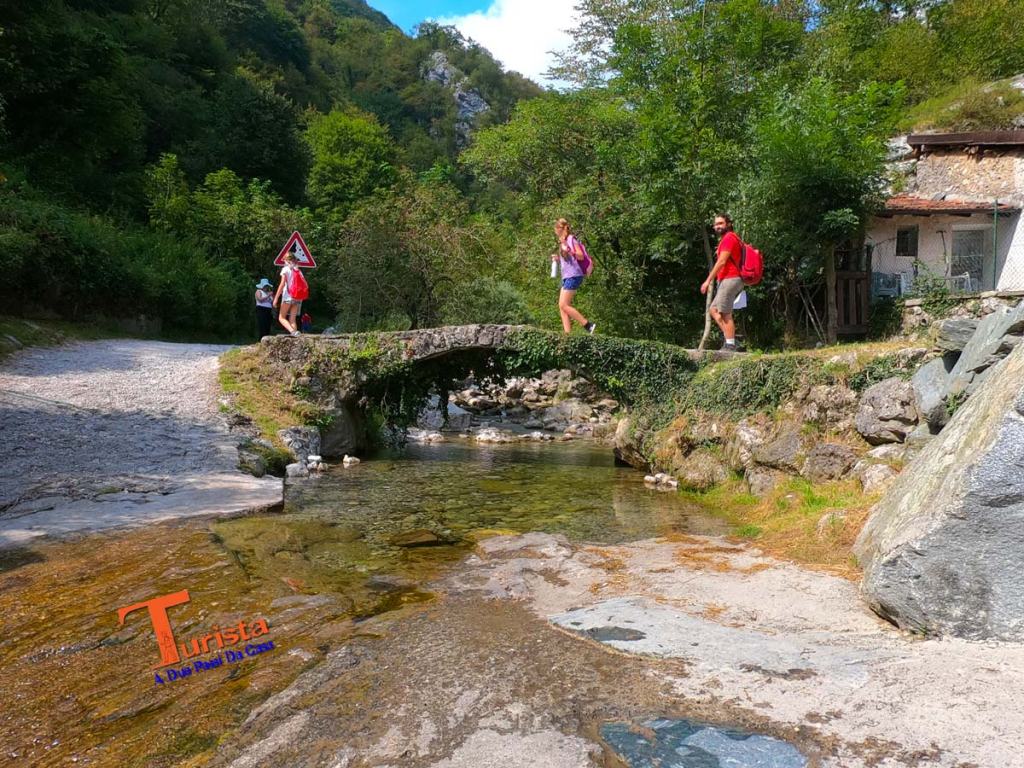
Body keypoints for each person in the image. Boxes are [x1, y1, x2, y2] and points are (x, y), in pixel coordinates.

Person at [701, 213, 745, 351]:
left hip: (730, 278)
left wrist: (708, 281)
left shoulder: (729, 238)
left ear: (728, 224)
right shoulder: (727, 239)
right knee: (713, 310)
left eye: (721, 223)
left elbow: (722, 261)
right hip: (726, 279)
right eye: (716, 224)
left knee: (725, 313)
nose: (717, 226)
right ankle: (731, 339)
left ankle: (730, 345)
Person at [551, 218, 596, 336]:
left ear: (561, 229)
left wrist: (569, 250)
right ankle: (567, 334)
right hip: (567, 276)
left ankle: (588, 325)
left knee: (564, 305)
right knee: (561, 306)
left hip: (574, 275)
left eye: (556, 229)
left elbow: (580, 256)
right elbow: (568, 261)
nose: (555, 231)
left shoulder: (571, 239)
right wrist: (558, 259)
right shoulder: (562, 242)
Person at [273, 252, 302, 337]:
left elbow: (282, 284)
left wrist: (276, 298)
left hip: (288, 297)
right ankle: (296, 338)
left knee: (281, 318)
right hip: (297, 297)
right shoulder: (297, 269)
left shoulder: (285, 269)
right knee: (292, 320)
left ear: (286, 260)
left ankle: (293, 332)